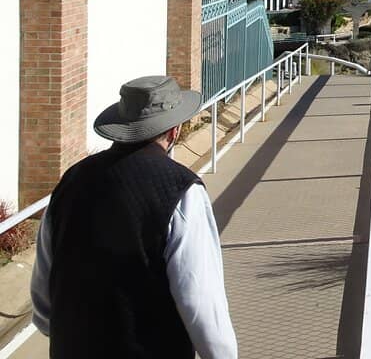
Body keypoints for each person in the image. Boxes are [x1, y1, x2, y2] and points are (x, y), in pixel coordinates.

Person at [31, 76, 237, 359]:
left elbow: (44, 298)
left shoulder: (71, 182)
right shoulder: (181, 190)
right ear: (174, 130)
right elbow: (199, 299)